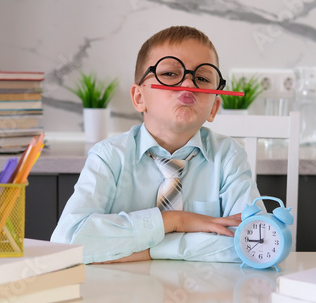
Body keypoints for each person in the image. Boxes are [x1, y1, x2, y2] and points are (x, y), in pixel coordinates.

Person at [51, 25, 262, 264]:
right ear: (139, 98)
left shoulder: (229, 157)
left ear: (214, 107)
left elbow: (253, 243)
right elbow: (67, 241)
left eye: (202, 78)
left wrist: (150, 251)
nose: (189, 86)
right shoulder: (108, 157)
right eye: (171, 74)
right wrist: (174, 221)